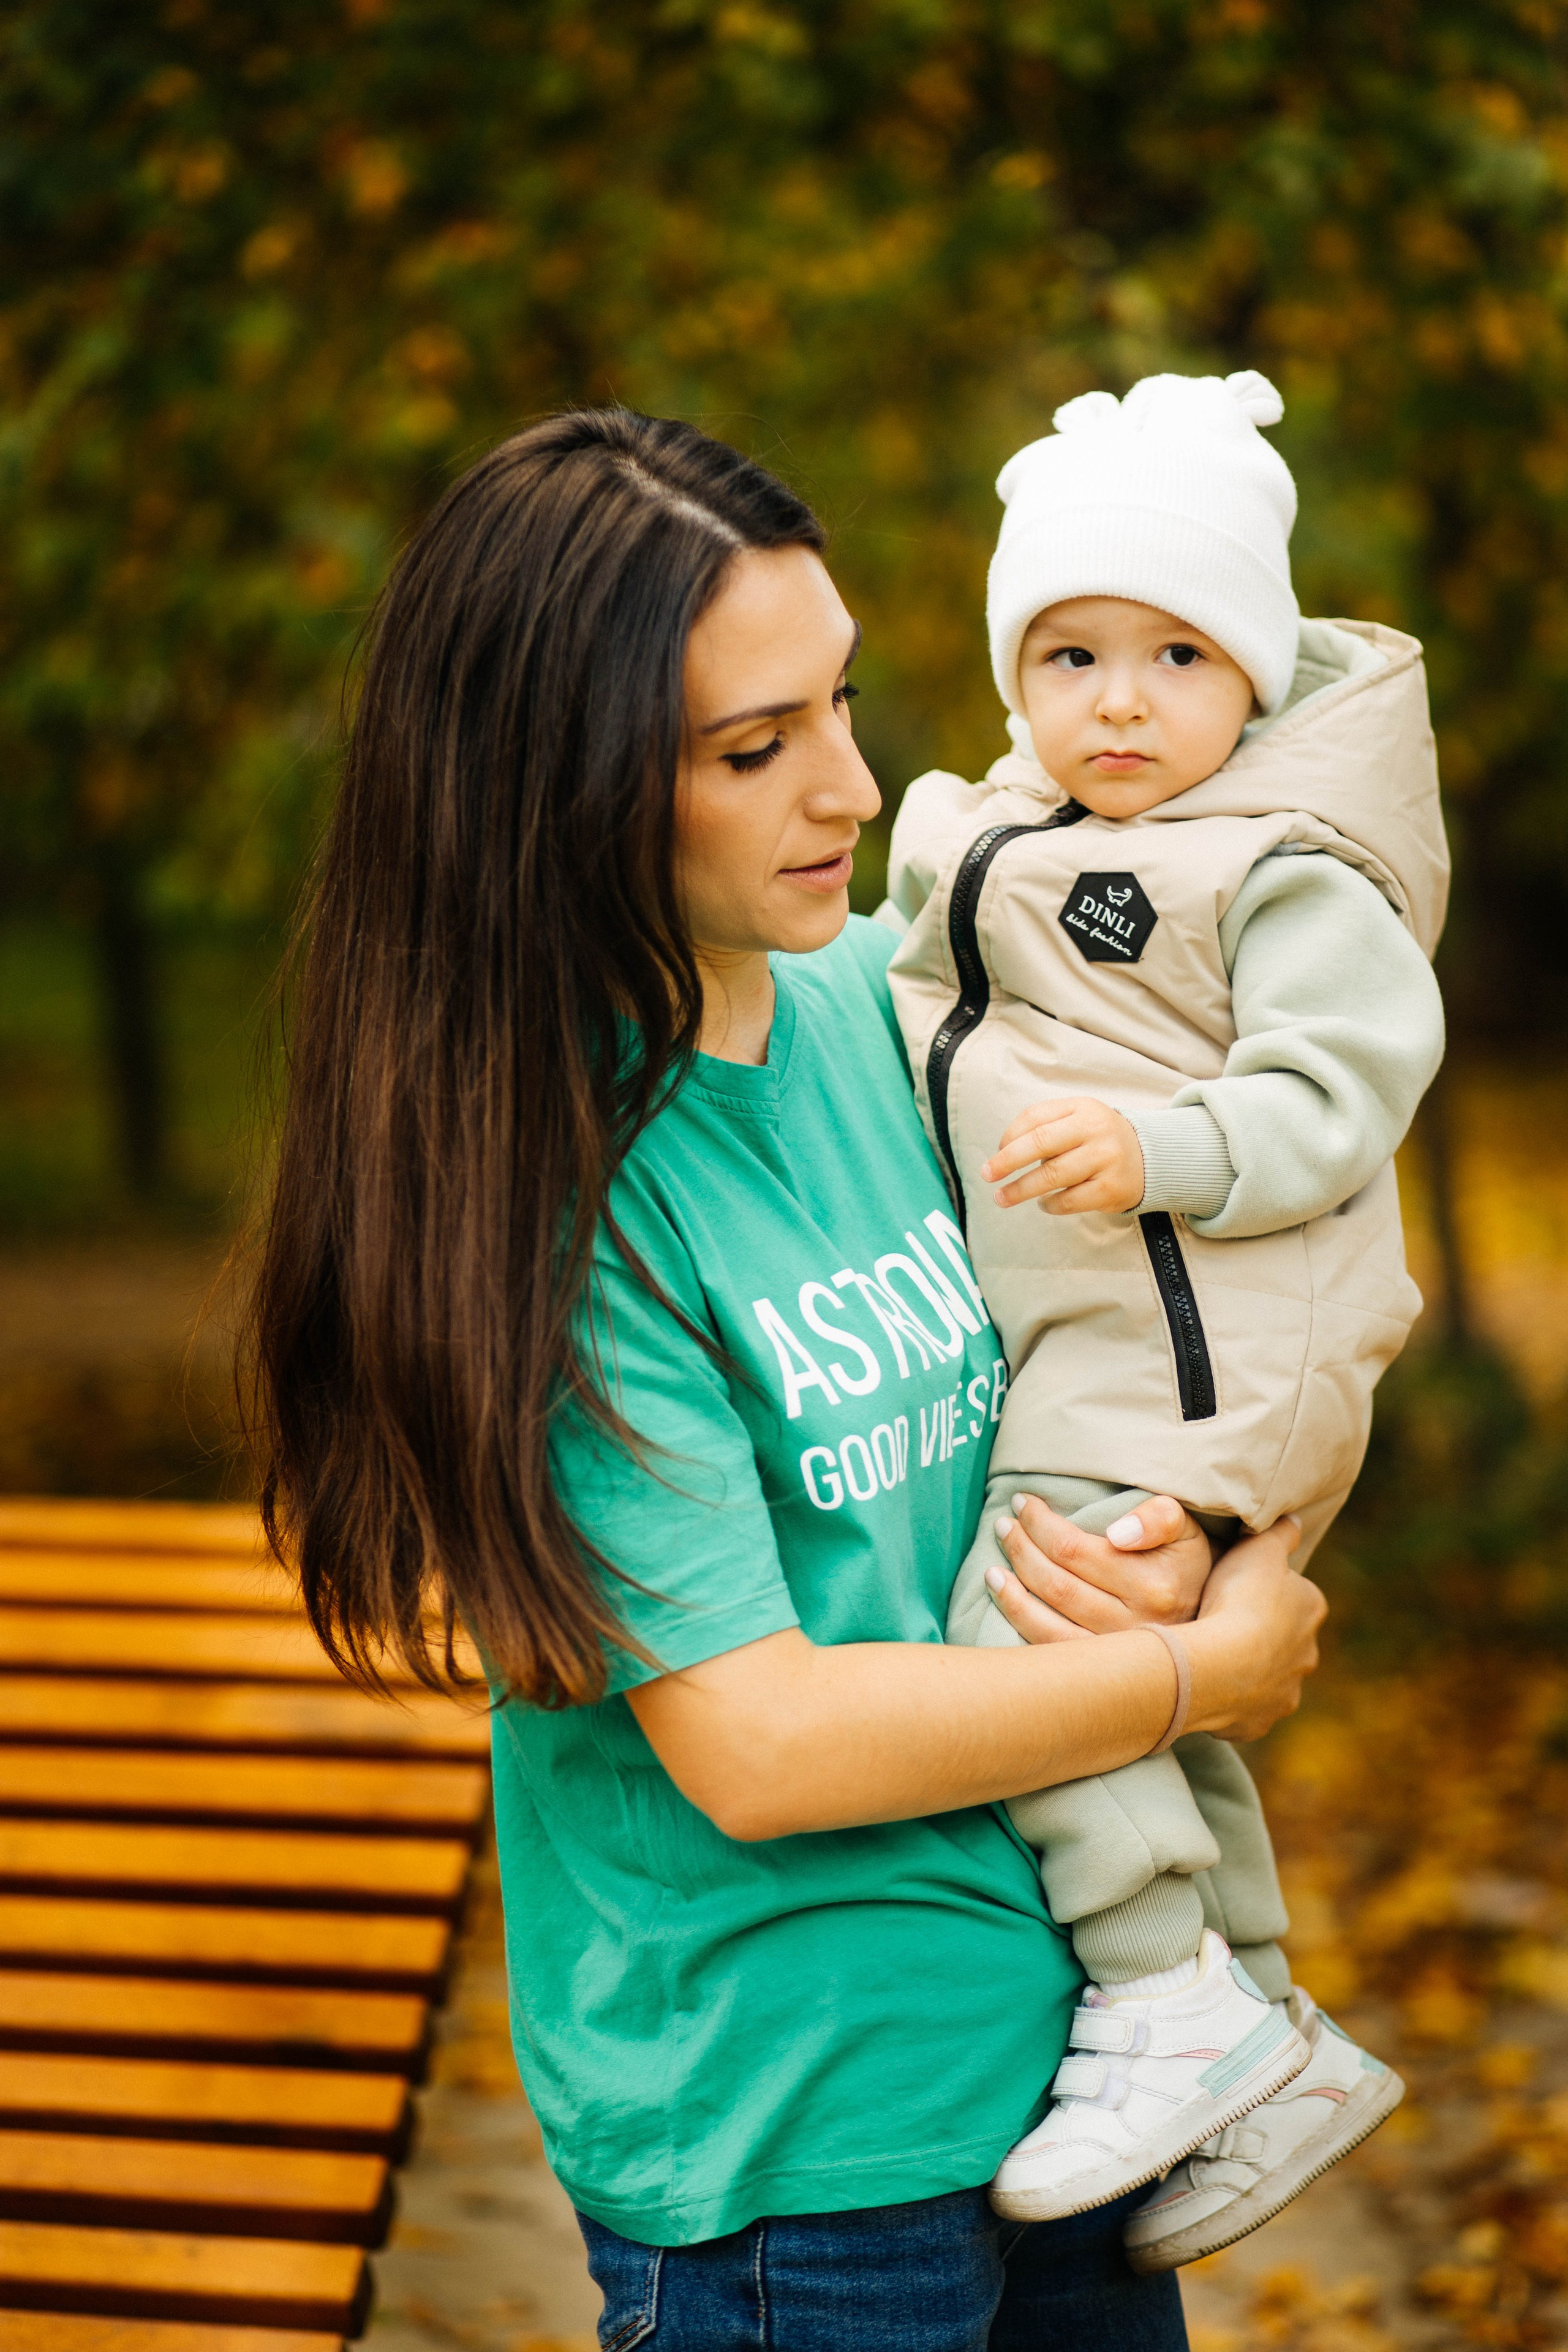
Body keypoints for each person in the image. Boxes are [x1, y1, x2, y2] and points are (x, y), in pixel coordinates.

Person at [247, 406, 1324, 2350]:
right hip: (802, 2162)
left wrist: (1223, 1556)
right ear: (554, 792)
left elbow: (1198, 1305)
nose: (848, 783)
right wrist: (1193, 1680)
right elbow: (761, 1746)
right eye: (757, 749)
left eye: (844, 700)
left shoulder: (888, 1001)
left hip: (1082, 2062)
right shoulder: (544, 1203)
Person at [881, 370, 1446, 2264]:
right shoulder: (1007, 834)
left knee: (1028, 1624)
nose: (1119, 701)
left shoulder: (1274, 865)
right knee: (1143, 1681)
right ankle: (1258, 2022)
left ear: (1259, 672)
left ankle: (1157, 2002)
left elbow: (1344, 1088)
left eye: (1176, 653)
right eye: (1069, 652)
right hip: (1118, 1327)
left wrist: (1159, 1144)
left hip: (1217, 1325)